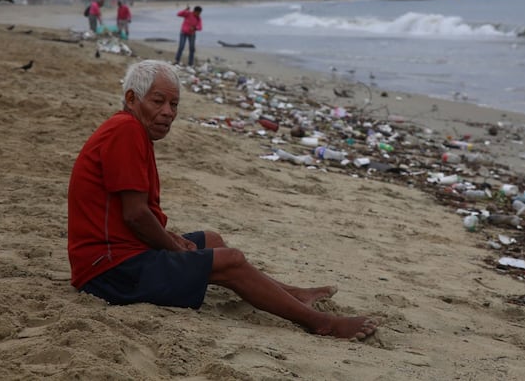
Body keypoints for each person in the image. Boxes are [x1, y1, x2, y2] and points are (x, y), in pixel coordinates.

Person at [67, 60, 377, 340]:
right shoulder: (126, 131)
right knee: (231, 260)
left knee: (212, 240)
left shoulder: (131, 129)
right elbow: (135, 215)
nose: (168, 112)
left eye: (174, 104)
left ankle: (293, 294)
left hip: (119, 256)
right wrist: (173, 246)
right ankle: (321, 323)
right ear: (132, 99)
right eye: (158, 101)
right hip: (109, 273)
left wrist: (172, 238)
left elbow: (133, 213)